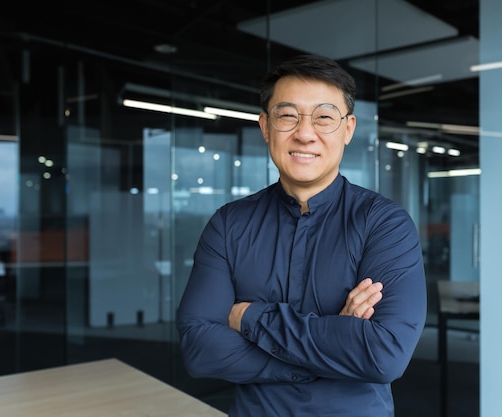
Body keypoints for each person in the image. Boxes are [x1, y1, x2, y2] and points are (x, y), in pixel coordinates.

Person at [176, 54, 427, 417]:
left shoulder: (384, 224)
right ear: (265, 126)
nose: (305, 133)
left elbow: (384, 355)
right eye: (287, 115)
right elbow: (200, 351)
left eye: (324, 117)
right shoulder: (229, 224)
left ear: (348, 128)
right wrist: (335, 345)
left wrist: (250, 319)